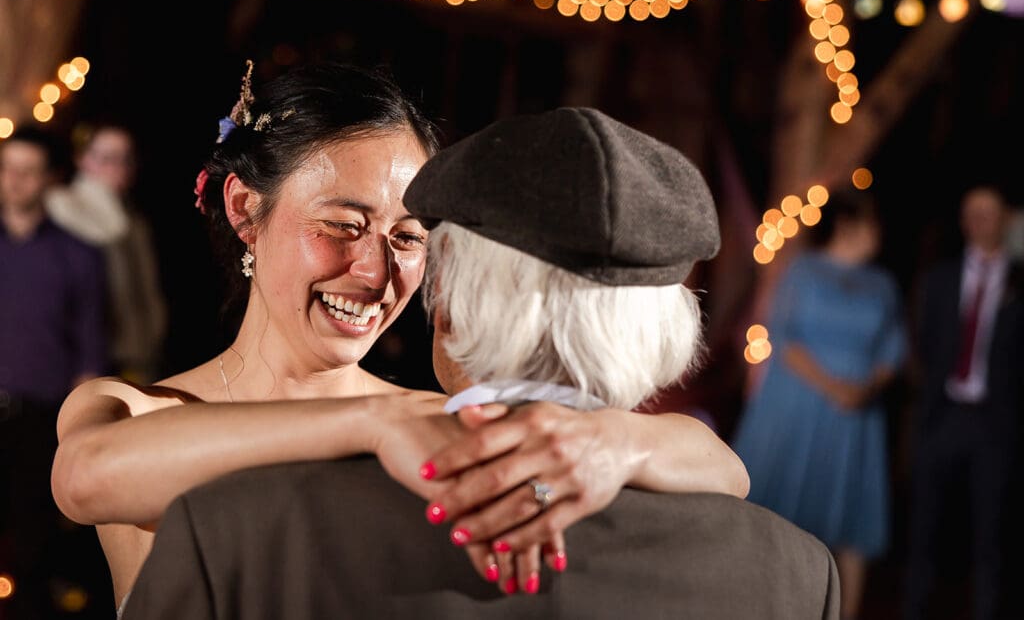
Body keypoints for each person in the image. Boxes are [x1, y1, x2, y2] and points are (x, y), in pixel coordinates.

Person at [50, 62, 749, 615]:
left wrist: (618, 441)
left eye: (409, 238)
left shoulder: (432, 422)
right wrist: (372, 421)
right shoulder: (138, 410)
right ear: (244, 209)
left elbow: (729, 474)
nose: (376, 272)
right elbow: (83, 477)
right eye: (343, 225)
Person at [730, 185, 907, 620]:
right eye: (871, 223)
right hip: (799, 403)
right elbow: (784, 337)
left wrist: (864, 389)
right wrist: (832, 386)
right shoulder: (803, 270)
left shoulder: (883, 284)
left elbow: (894, 348)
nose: (878, 233)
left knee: (852, 518)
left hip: (853, 417)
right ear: (847, 225)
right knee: (782, 511)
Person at [0, 127, 108, 618]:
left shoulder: (78, 256)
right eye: (8, 168)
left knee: (33, 547)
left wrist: (79, 431)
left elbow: (90, 350)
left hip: (42, 419)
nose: (15, 180)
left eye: (28, 171)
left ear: (49, 179)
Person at [904, 184, 1023, 620]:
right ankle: (914, 607)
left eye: (988, 213)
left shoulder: (1019, 279)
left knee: (990, 534)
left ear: (1004, 219)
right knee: (923, 527)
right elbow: (922, 341)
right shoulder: (940, 277)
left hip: (996, 421)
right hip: (943, 414)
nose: (979, 222)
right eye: (971, 213)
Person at [46, 120, 168, 383]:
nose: (118, 167)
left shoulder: (133, 219)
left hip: (138, 354)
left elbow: (147, 290)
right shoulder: (63, 211)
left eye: (126, 159)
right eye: (107, 158)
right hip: (87, 361)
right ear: (82, 159)